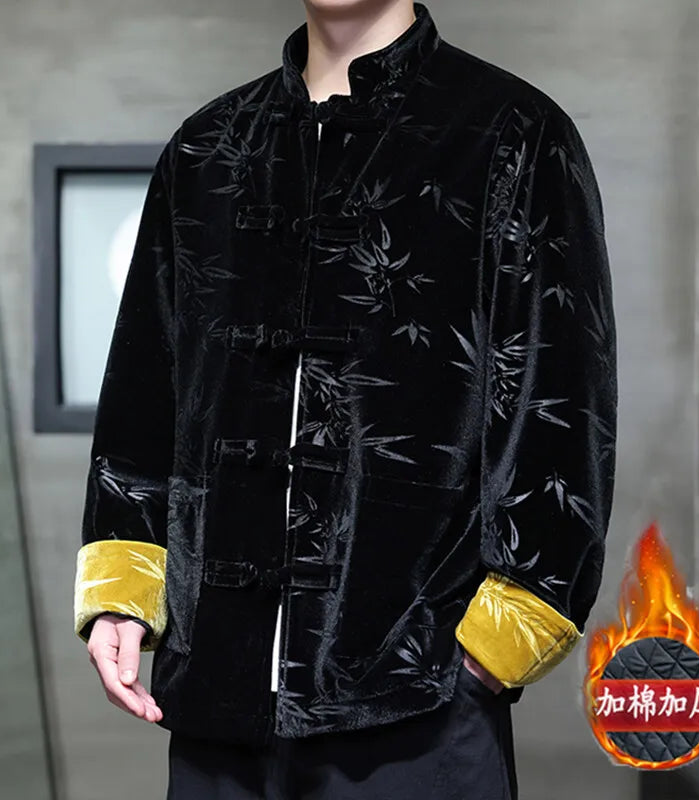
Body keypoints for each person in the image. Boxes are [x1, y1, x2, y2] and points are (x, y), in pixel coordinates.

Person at [73, 2, 618, 798]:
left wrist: (489, 649)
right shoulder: (205, 147)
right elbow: (143, 398)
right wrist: (123, 598)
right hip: (217, 702)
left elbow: (560, 406)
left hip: (416, 704)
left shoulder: (513, 134)